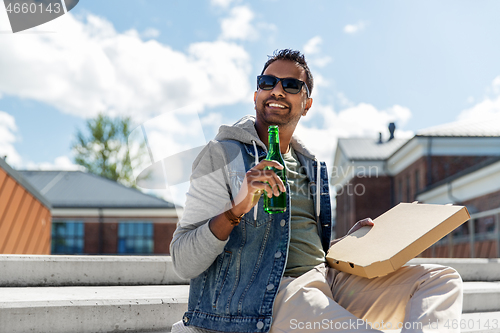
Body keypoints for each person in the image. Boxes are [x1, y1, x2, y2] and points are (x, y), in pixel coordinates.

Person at [170, 49, 463, 333]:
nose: (278, 90)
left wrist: (348, 242)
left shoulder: (313, 166)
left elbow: (295, 241)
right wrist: (236, 209)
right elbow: (183, 261)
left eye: (292, 85)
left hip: (327, 281)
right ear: (256, 94)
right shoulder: (221, 155)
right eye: (267, 82)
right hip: (273, 294)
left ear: (307, 104)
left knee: (441, 280)